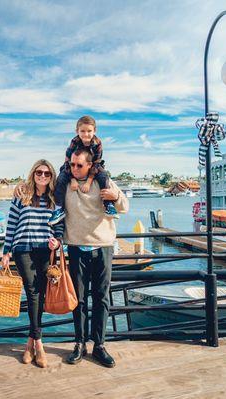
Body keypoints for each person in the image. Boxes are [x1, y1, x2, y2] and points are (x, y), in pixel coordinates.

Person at [54, 148, 129, 368]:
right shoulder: (65, 183)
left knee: (101, 298)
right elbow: (41, 192)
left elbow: (125, 207)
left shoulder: (103, 182)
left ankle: (99, 345)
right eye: (72, 165)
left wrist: (115, 197)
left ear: (90, 166)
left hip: (103, 247)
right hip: (76, 248)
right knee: (78, 300)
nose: (74, 169)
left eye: (79, 165)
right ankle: (79, 343)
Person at [2, 159, 63, 368]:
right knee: (32, 291)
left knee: (40, 293)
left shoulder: (55, 199)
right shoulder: (22, 195)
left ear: (51, 176)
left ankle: (29, 344)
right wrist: (6, 251)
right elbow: (11, 224)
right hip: (23, 248)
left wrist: (58, 241)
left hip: (45, 250)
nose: (43, 176)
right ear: (33, 173)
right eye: (39, 172)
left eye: (47, 173)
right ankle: (40, 344)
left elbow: (59, 226)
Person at [49, 115, 118, 225]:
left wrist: (89, 181)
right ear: (77, 131)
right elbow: (68, 162)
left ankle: (108, 204)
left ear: (94, 130)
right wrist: (72, 179)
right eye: (82, 131)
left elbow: (96, 163)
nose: (86, 134)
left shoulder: (98, 143)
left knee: (103, 175)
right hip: (70, 167)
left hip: (94, 167)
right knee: (61, 178)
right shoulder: (74, 142)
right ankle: (59, 209)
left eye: (89, 131)